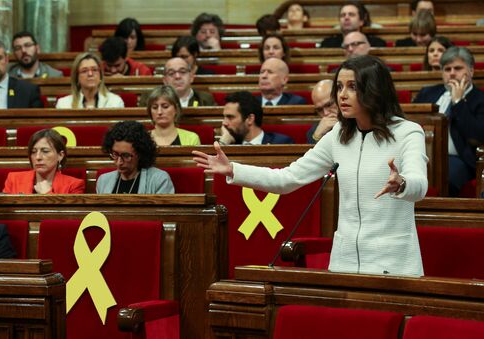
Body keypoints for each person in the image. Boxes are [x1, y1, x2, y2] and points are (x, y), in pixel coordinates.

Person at [194, 55, 428, 277]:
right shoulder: (339, 135)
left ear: (375, 90)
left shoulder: (408, 132)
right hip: (344, 262)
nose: (342, 96)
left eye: (353, 87)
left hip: (392, 261)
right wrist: (234, 169)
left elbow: (420, 185)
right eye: (339, 87)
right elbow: (287, 178)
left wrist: (402, 184)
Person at [413, 47, 484, 196]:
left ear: (471, 71)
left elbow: (477, 135)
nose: (452, 73)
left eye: (458, 68)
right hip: (419, 154)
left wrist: (458, 102)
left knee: (443, 179)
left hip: (458, 160)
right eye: (447, 69)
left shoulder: (480, 99)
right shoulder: (427, 93)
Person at [97, 121, 175, 194]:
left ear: (140, 153)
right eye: (115, 154)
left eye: (126, 156)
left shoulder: (159, 180)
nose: (119, 162)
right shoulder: (103, 181)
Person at [3, 128, 85, 194]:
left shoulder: (74, 185)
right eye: (33, 152)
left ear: (60, 155)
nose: (38, 157)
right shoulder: (13, 179)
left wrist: (47, 194)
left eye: (45, 151)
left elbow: (68, 214)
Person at [220, 91, 293, 145]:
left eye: (230, 117)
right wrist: (223, 143)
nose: (224, 123)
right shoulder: (227, 143)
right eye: (224, 117)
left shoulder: (280, 143)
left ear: (250, 119)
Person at [56, 53, 124, 109]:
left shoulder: (115, 102)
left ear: (100, 76)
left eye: (94, 70)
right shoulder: (63, 104)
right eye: (84, 71)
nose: (90, 74)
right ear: (77, 77)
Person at [139, 57, 215, 107]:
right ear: (164, 80)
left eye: (182, 72)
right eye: (171, 73)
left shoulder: (205, 99)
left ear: (191, 77)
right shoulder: (149, 99)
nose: (177, 76)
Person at [320, 2, 386, 48]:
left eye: (351, 14)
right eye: (343, 15)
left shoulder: (376, 44)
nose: (346, 18)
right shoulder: (327, 44)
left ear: (361, 21)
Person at [308, 79, 338, 144]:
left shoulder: (360, 123)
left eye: (329, 105)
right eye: (319, 110)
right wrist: (317, 137)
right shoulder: (313, 132)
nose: (326, 113)